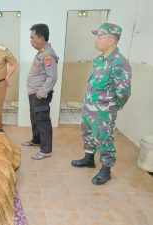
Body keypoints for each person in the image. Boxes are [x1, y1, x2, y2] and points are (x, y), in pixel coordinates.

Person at [71, 23, 132, 185]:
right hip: (90, 107)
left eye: (99, 37)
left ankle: (106, 170)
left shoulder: (119, 62)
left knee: (104, 138)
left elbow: (124, 92)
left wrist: (111, 107)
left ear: (111, 40)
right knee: (87, 132)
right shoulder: (99, 59)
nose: (96, 40)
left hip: (104, 111)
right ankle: (89, 158)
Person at [22, 24, 59, 160]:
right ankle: (36, 140)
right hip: (34, 94)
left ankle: (46, 150)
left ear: (41, 38)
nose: (30, 40)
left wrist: (42, 93)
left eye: (32, 38)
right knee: (35, 118)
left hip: (40, 95)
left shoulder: (48, 55)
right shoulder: (41, 52)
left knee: (42, 120)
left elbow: (52, 77)